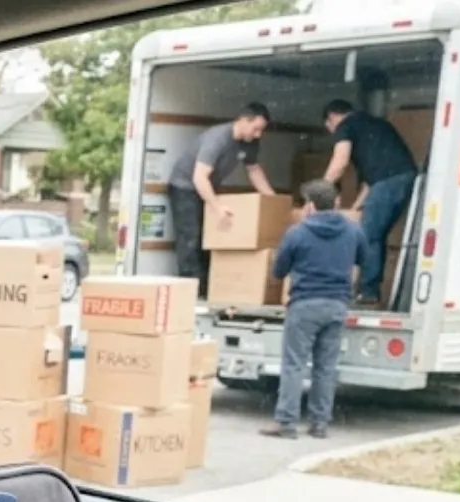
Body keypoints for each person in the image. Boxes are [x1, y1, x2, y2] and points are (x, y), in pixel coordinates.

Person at [263, 180, 368, 440]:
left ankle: (286, 423)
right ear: (336, 203)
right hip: (337, 305)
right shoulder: (353, 231)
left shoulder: (297, 233)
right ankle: (319, 424)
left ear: (309, 206)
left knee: (294, 365)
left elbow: (278, 271)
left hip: (304, 304)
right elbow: (364, 259)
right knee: (326, 367)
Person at [168, 103, 277, 295]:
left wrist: (274, 201)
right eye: (256, 129)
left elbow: (254, 171)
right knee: (191, 238)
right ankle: (189, 293)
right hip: (186, 187)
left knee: (208, 238)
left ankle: (209, 289)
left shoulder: (250, 142)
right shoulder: (217, 138)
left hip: (208, 187)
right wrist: (217, 207)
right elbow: (199, 177)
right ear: (244, 120)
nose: (258, 134)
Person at [322, 99, 418, 307]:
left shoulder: (344, 126)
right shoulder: (375, 124)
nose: (332, 133)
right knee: (376, 233)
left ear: (331, 119)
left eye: (329, 128)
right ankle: (368, 290)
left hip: (389, 181)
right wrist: (356, 208)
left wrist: (320, 191)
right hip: (404, 178)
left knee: (369, 235)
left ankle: (368, 293)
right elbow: (370, 181)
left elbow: (340, 162)